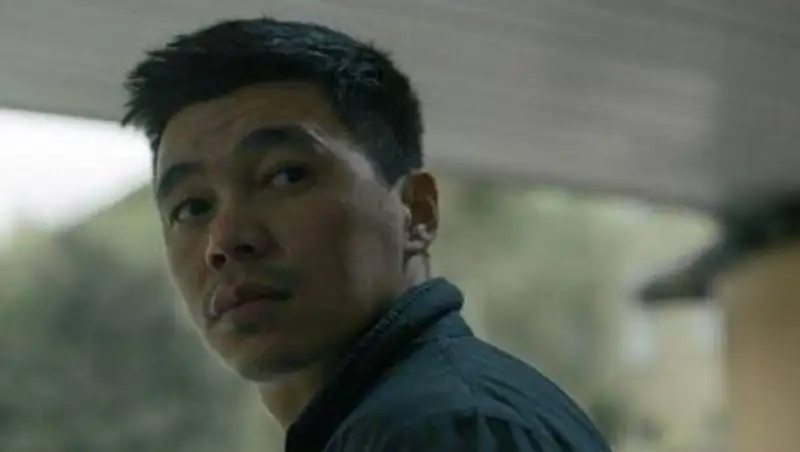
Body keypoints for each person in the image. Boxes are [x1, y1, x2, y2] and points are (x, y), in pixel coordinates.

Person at [121, 17, 612, 451]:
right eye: (192, 207)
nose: (225, 240)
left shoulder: (442, 428)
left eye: (285, 176)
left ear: (416, 211)